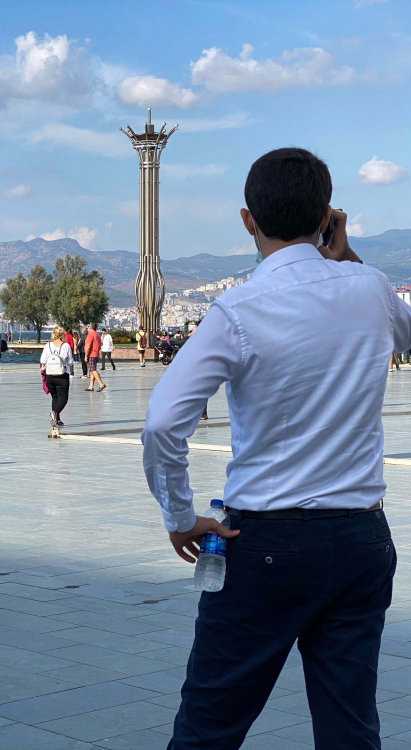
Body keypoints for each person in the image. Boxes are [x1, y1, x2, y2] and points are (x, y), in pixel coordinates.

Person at [142, 148, 411, 750]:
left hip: (265, 543)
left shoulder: (238, 308)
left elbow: (163, 421)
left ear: (247, 220)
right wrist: (346, 258)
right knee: (350, 729)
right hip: (361, 539)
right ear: (327, 216)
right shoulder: (370, 288)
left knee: (210, 726)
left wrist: (180, 517)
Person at [40, 326, 74, 427]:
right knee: (63, 398)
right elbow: (70, 361)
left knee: (55, 398)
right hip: (62, 376)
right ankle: (55, 413)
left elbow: (42, 361)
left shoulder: (48, 345)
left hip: (49, 376)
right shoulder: (66, 346)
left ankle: (56, 419)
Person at [84, 324, 106, 392]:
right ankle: (91, 386)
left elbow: (88, 345)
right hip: (96, 354)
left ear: (90, 328)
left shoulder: (90, 335)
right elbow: (99, 345)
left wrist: (86, 355)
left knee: (93, 370)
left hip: (91, 354)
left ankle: (101, 384)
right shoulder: (98, 335)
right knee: (91, 371)